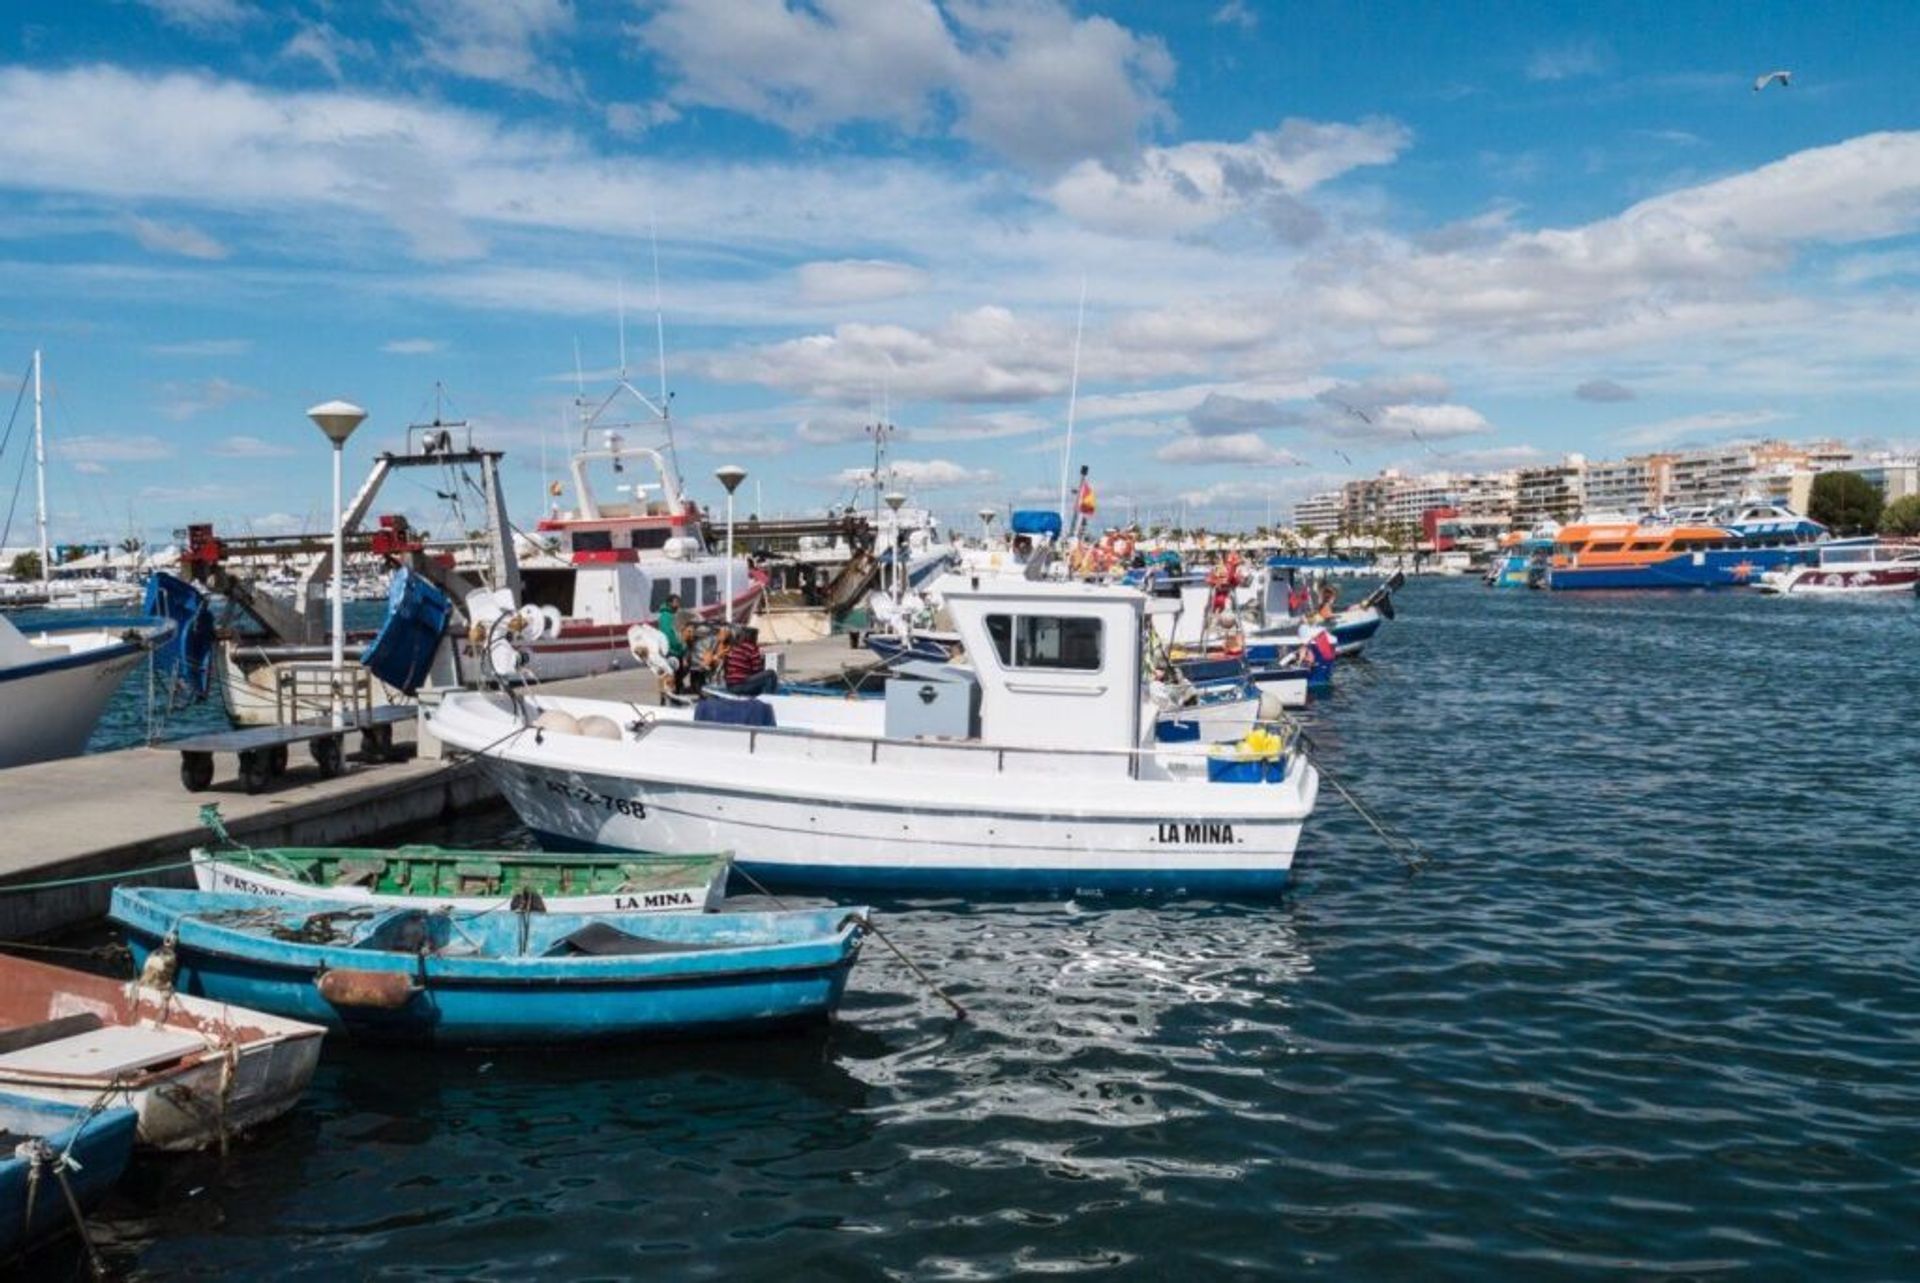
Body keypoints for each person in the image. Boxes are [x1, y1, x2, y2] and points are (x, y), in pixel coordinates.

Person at [720, 625, 777, 697]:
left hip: (730, 686)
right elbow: (757, 670)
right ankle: (770, 698)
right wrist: (761, 664)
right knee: (771, 674)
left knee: (758, 682)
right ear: (754, 636)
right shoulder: (751, 648)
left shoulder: (735, 647)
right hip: (741, 685)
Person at [656, 594, 689, 692]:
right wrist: (681, 647)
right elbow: (670, 635)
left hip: (674, 650)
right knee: (675, 675)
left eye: (679, 602)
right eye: (676, 602)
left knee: (677, 674)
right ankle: (675, 697)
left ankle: (676, 692)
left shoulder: (670, 615)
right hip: (672, 651)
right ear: (670, 603)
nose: (678, 604)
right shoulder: (666, 617)